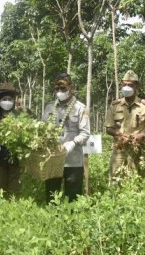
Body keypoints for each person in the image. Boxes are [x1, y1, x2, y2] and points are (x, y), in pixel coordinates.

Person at [42, 73, 90, 203]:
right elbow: (42, 129)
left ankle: (72, 221)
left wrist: (73, 143)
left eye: (63, 89)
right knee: (52, 196)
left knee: (73, 197)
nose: (59, 92)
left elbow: (85, 133)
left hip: (73, 160)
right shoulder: (49, 107)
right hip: (53, 158)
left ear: (71, 88)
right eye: (57, 89)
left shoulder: (80, 108)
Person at [105, 70, 145, 179]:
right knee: (115, 180)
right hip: (119, 149)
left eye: (130, 85)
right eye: (124, 85)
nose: (126, 87)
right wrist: (119, 134)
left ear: (137, 86)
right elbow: (108, 128)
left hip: (138, 150)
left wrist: (143, 136)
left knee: (137, 181)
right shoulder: (115, 106)